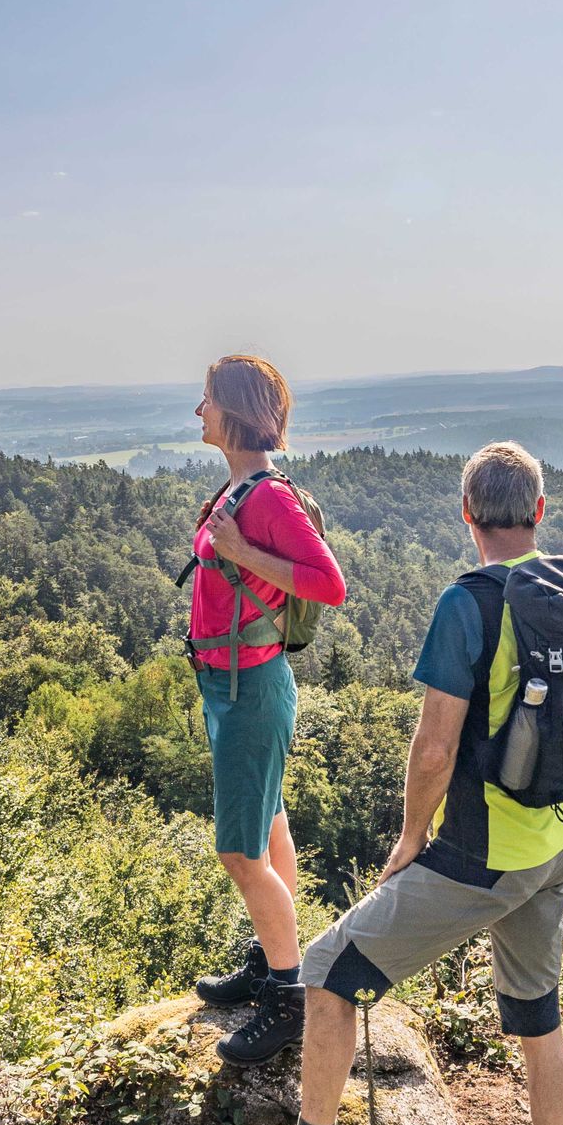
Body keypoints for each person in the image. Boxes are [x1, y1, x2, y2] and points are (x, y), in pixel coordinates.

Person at [195, 439, 563, 1125]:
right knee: (537, 1013)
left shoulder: (471, 603)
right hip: (556, 842)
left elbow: (432, 749)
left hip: (481, 853)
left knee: (323, 973)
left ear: (466, 515)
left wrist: (412, 839)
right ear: (540, 513)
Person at [186, 355, 348, 1064]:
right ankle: (273, 959)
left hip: (251, 690)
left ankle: (289, 998)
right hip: (229, 687)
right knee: (271, 819)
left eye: (208, 401)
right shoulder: (240, 487)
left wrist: (244, 551)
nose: (199, 412)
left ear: (236, 412)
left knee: (238, 849)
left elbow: (329, 584)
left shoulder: (268, 500)